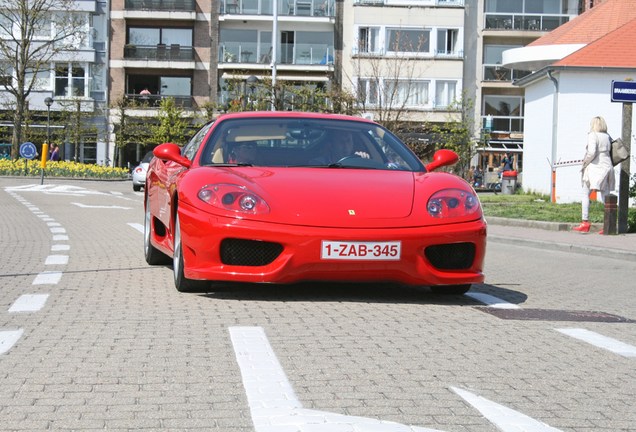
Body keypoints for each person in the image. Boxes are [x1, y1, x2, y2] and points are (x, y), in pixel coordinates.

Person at [572, 116, 615, 233]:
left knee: (585, 193)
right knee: (606, 196)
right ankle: (608, 225)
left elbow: (591, 152)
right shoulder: (607, 136)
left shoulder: (592, 135)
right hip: (608, 167)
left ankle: (585, 222)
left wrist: (585, 163)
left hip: (595, 168)